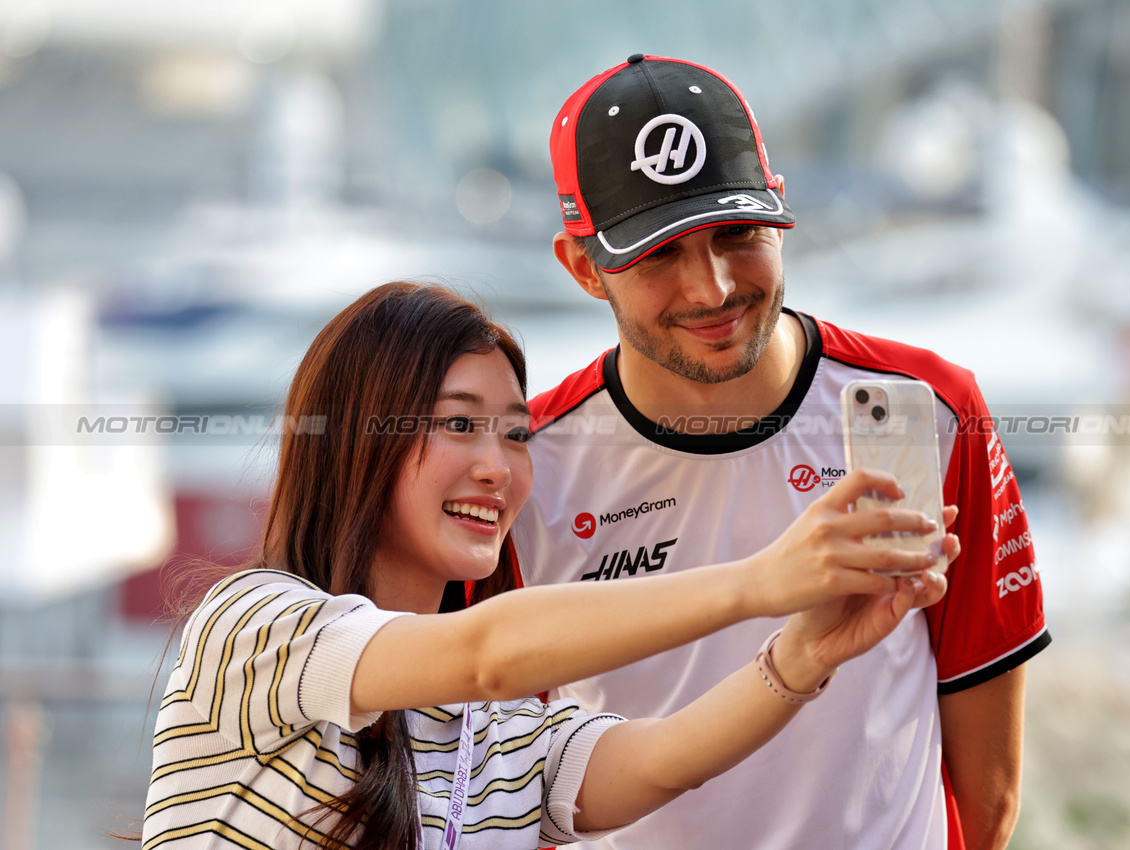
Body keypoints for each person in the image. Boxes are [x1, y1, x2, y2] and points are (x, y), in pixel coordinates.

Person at [141, 282, 955, 850]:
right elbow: (487, 655)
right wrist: (757, 582)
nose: (499, 468)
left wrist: (805, 653)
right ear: (358, 438)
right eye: (460, 426)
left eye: (516, 432)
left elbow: (665, 758)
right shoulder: (250, 625)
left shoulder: (492, 735)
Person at [511, 55, 1051, 850]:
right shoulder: (524, 466)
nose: (712, 287)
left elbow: (989, 792)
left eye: (737, 234)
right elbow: (504, 787)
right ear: (583, 267)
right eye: (657, 253)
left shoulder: (933, 408)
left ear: (778, 209)